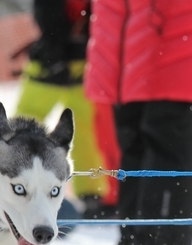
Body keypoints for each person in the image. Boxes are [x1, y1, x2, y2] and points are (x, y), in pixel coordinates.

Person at [80, 0, 192, 245]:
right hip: (126, 32)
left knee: (165, 140)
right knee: (132, 139)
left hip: (171, 29)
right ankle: (134, 243)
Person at [15, 0, 119, 220]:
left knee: (82, 128)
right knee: (28, 124)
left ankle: (93, 194)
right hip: (70, 57)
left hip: (73, 58)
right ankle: (12, 175)